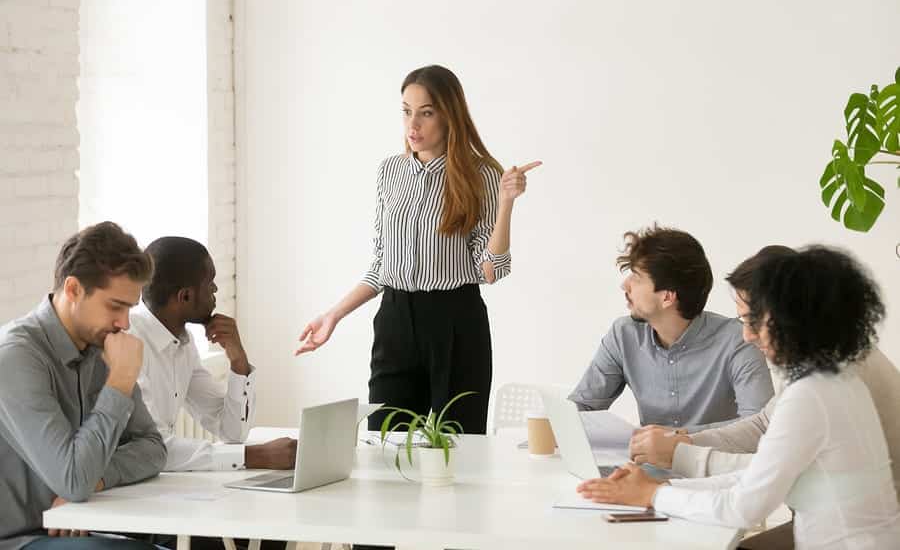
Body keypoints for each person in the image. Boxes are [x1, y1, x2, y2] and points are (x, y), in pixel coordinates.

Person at [577, 246, 900, 549]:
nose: (746, 335)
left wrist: (654, 493)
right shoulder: (835, 377)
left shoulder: (812, 395)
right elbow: (759, 470)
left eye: (750, 320)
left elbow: (743, 506)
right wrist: (658, 486)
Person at [296, 64, 540, 434]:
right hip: (395, 321)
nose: (414, 125)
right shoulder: (389, 172)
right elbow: (382, 265)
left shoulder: (482, 176)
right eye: (407, 111)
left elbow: (491, 270)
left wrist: (507, 203)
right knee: (384, 442)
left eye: (426, 113)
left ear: (449, 116)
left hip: (456, 322)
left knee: (458, 449)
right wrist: (334, 315)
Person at [0, 222, 166, 550]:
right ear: (74, 289)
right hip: (21, 538)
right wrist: (120, 380)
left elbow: (153, 447)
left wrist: (98, 478)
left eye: (129, 308)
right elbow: (75, 481)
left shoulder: (100, 344)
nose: (125, 323)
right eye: (115, 306)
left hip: (82, 524)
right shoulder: (16, 357)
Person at [569, 225, 774, 430]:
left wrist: (672, 438)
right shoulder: (623, 335)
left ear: (667, 296)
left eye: (636, 277)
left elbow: (758, 426)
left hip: (710, 461)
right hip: (640, 463)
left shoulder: (739, 340)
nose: (625, 285)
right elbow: (582, 407)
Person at [131, 237, 296, 472]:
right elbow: (152, 448)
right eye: (210, 283)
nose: (216, 290)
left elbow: (231, 431)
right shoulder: (129, 342)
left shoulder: (182, 343)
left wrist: (238, 361)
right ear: (185, 296)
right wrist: (255, 456)